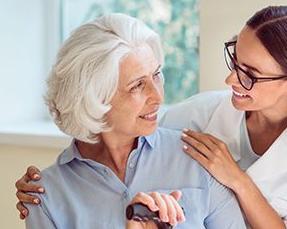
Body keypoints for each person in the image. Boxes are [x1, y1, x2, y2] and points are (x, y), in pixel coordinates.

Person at [16, 6, 287, 229]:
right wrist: (49, 185)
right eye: (235, 61)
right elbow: (108, 129)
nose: (231, 80)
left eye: (250, 74)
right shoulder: (198, 116)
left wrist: (238, 180)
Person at [22, 12, 247, 229]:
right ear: (94, 98)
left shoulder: (199, 158)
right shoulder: (46, 194)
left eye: (156, 75)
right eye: (137, 85)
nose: (158, 97)